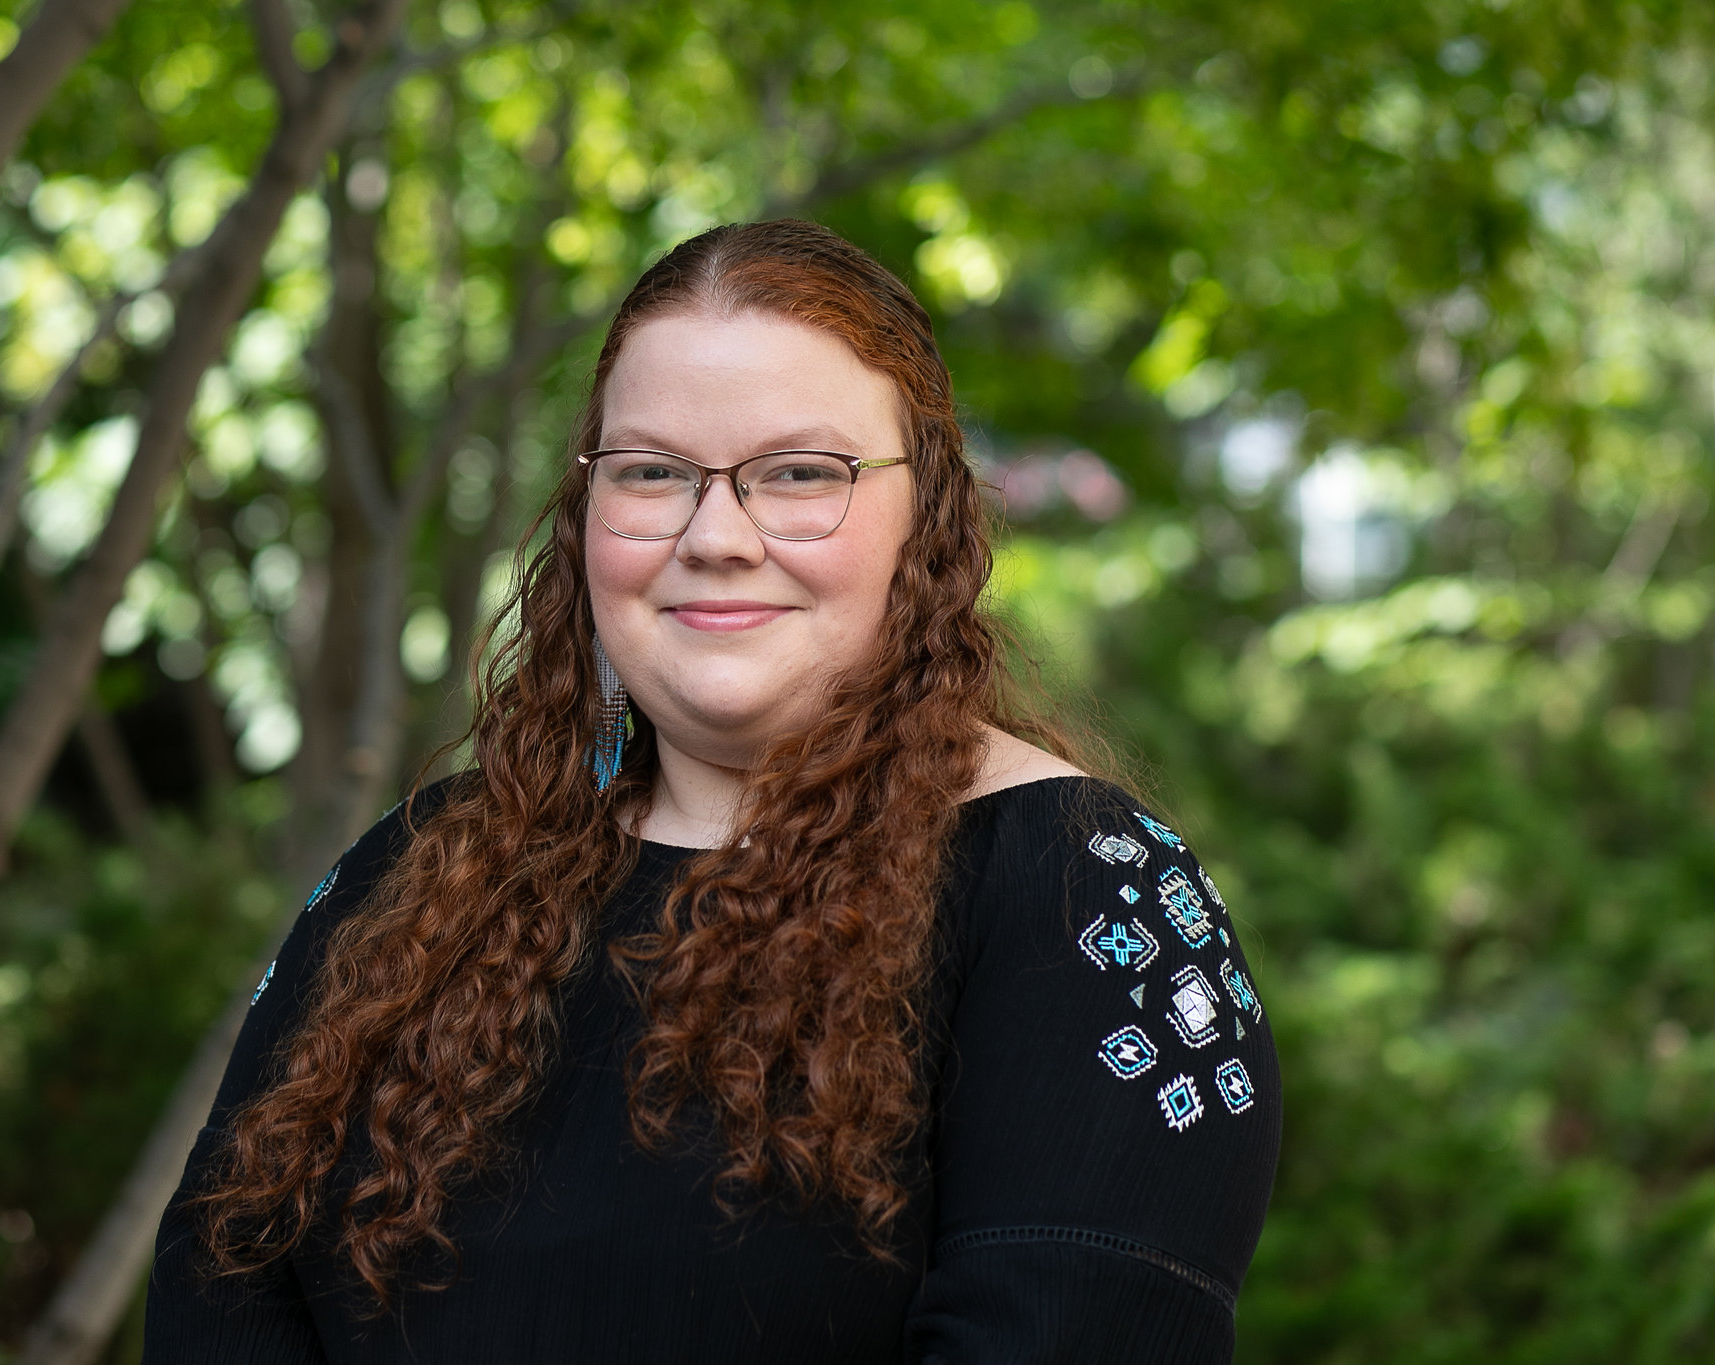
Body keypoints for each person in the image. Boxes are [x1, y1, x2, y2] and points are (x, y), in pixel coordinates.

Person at [143, 219, 1280, 1363]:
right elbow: (219, 1294)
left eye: (798, 474)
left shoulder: (1092, 905)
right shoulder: (412, 880)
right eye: (651, 473)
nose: (715, 535)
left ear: (926, 512)